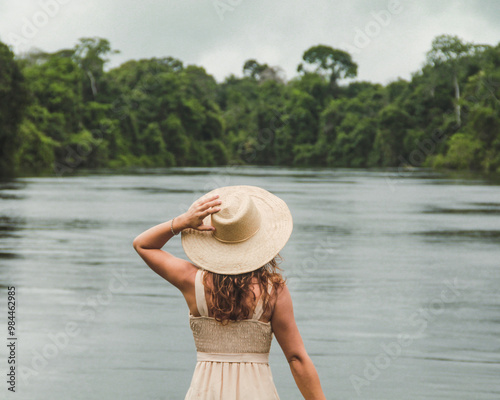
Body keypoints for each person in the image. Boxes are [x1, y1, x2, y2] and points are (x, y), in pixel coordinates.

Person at [133, 185, 326, 399]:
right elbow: (296, 358)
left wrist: (182, 222)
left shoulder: (191, 281)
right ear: (259, 239)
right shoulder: (273, 291)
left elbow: (143, 245)